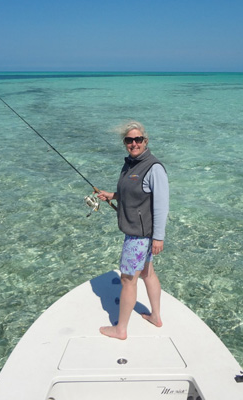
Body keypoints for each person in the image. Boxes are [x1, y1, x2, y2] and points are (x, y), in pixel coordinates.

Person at [97, 121, 169, 340]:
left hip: (140, 235)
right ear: (125, 143)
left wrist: (158, 237)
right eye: (129, 140)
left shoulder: (153, 167)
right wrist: (113, 195)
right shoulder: (130, 164)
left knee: (128, 280)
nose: (134, 143)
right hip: (141, 233)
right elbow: (134, 193)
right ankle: (156, 316)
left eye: (138, 139)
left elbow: (161, 204)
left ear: (146, 141)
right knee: (147, 273)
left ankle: (120, 330)